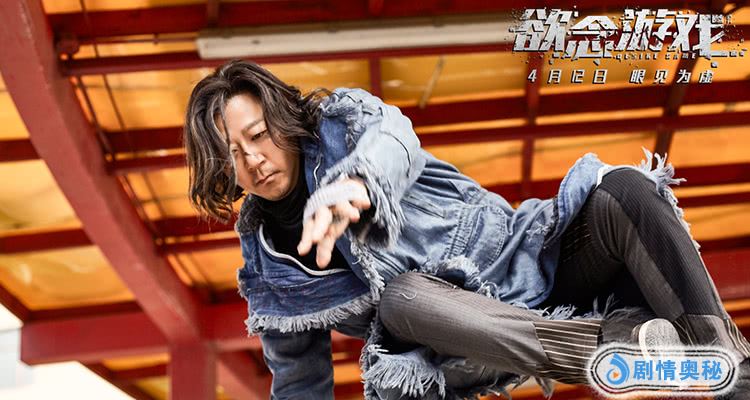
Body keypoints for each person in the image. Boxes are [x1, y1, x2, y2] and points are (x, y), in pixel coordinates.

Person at [183, 60, 750, 399]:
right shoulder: (270, 273)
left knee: (624, 188)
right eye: (232, 153)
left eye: (258, 135)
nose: (253, 159)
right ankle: (616, 352)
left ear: (280, 119)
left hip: (535, 259)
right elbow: (299, 385)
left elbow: (396, 140)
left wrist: (356, 185)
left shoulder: (344, 125)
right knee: (401, 298)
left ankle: (732, 369)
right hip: (464, 343)